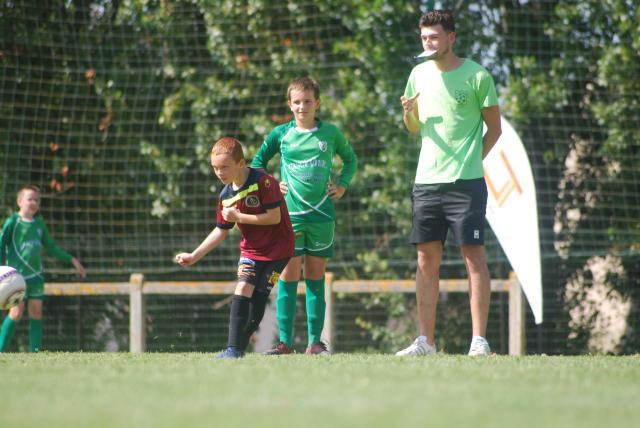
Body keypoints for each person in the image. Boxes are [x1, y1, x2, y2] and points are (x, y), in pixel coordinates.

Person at [396, 10, 502, 357]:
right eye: (424, 37)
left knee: (474, 258)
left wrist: (471, 161)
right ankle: (425, 342)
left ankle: (479, 341)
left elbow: (495, 129)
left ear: (451, 37)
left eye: (434, 37)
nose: (428, 43)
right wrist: (408, 112)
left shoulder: (478, 75)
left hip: (466, 184)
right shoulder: (417, 75)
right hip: (426, 183)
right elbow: (413, 128)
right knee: (426, 261)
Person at [252, 77, 358, 355]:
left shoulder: (330, 134)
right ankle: (285, 342)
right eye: (296, 102)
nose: (302, 107)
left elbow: (351, 159)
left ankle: (315, 343)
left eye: (307, 101)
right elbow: (256, 164)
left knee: (315, 278)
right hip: (290, 218)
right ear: (290, 104)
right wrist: (272, 185)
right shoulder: (281, 134)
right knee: (286, 278)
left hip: (322, 216)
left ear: (317, 103)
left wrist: (343, 184)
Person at [176, 137, 294, 359]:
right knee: (242, 289)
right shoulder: (225, 196)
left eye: (224, 167)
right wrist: (194, 255)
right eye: (215, 168)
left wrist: (240, 216)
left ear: (241, 163)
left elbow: (274, 217)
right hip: (251, 251)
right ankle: (233, 349)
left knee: (259, 295)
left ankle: (238, 345)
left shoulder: (263, 182)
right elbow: (221, 229)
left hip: (280, 249)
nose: (219, 173)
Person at [0, 185, 86, 352]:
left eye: (36, 200)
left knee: (36, 313)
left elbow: (51, 247)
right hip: (16, 278)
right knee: (16, 313)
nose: (33, 202)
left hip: (36, 276)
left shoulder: (39, 224)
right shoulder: (13, 222)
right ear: (19, 201)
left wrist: (71, 260)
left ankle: (35, 354)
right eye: (29, 199)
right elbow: (2, 245)